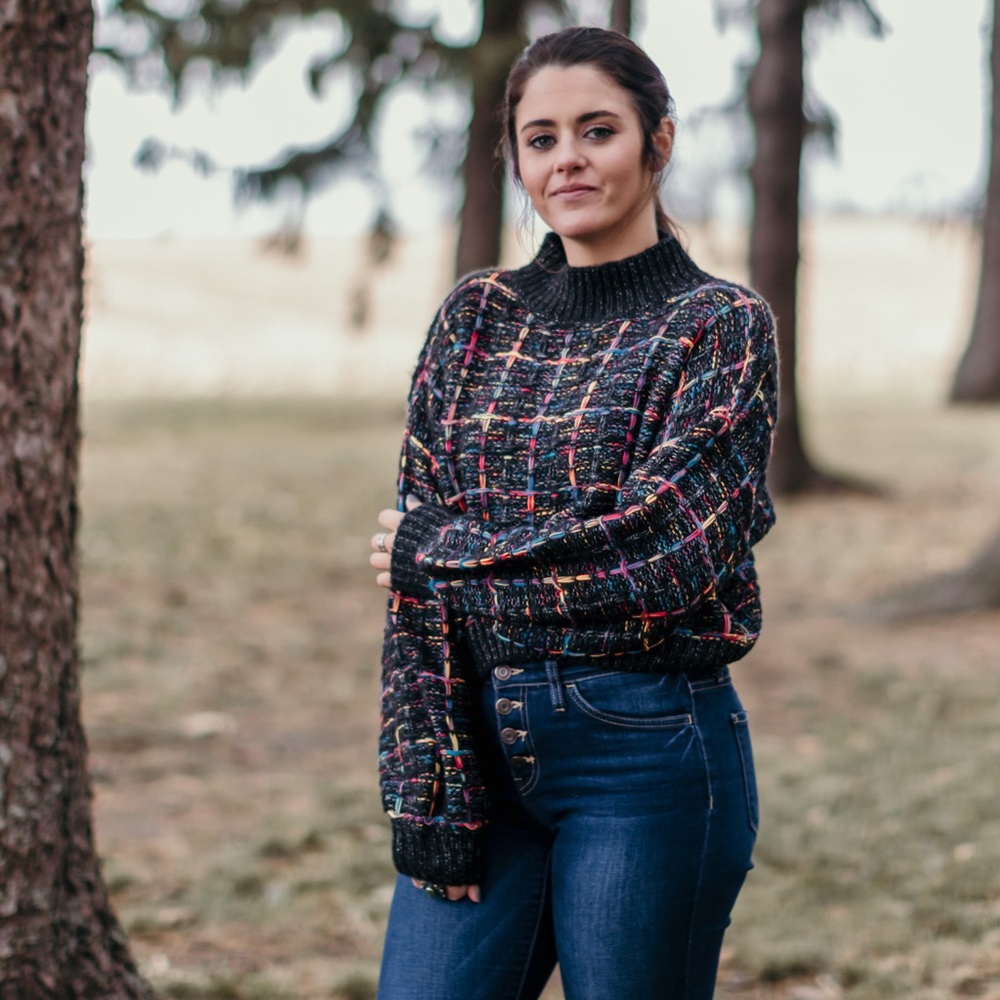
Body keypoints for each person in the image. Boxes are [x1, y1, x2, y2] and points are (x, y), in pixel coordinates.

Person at [368, 24, 777, 1000]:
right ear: (515, 157)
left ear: (657, 142)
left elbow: (663, 554)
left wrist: (448, 558)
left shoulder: (718, 327)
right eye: (541, 137)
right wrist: (426, 786)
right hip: (481, 751)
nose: (568, 160)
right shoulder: (475, 318)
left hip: (649, 753)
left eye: (597, 130)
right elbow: (417, 597)